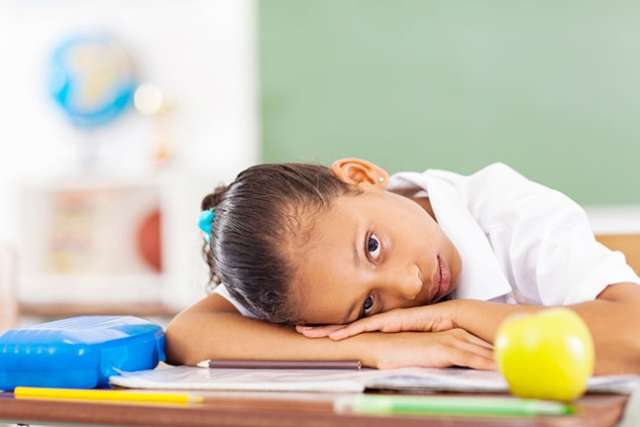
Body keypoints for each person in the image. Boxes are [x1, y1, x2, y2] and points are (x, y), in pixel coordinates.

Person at [165, 159, 640, 374]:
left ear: (362, 177)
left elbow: (634, 337)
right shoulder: (304, 273)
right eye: (368, 305)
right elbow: (189, 334)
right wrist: (377, 349)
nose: (410, 284)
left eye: (373, 246)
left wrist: (459, 315)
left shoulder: (512, 215)